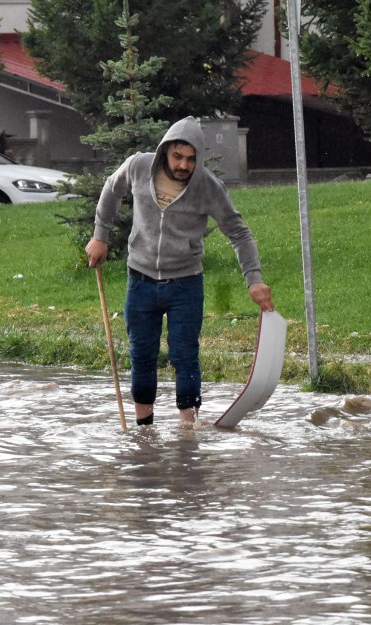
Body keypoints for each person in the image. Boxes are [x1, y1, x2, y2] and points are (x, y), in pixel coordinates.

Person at [85, 116, 274, 427]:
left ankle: (189, 432)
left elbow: (239, 232)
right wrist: (99, 235)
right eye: (177, 157)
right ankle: (143, 433)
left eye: (191, 159)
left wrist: (254, 279)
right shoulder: (137, 166)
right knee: (142, 355)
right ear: (164, 152)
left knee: (185, 356)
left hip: (185, 284)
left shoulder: (208, 187)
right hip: (140, 281)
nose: (184, 165)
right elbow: (111, 188)